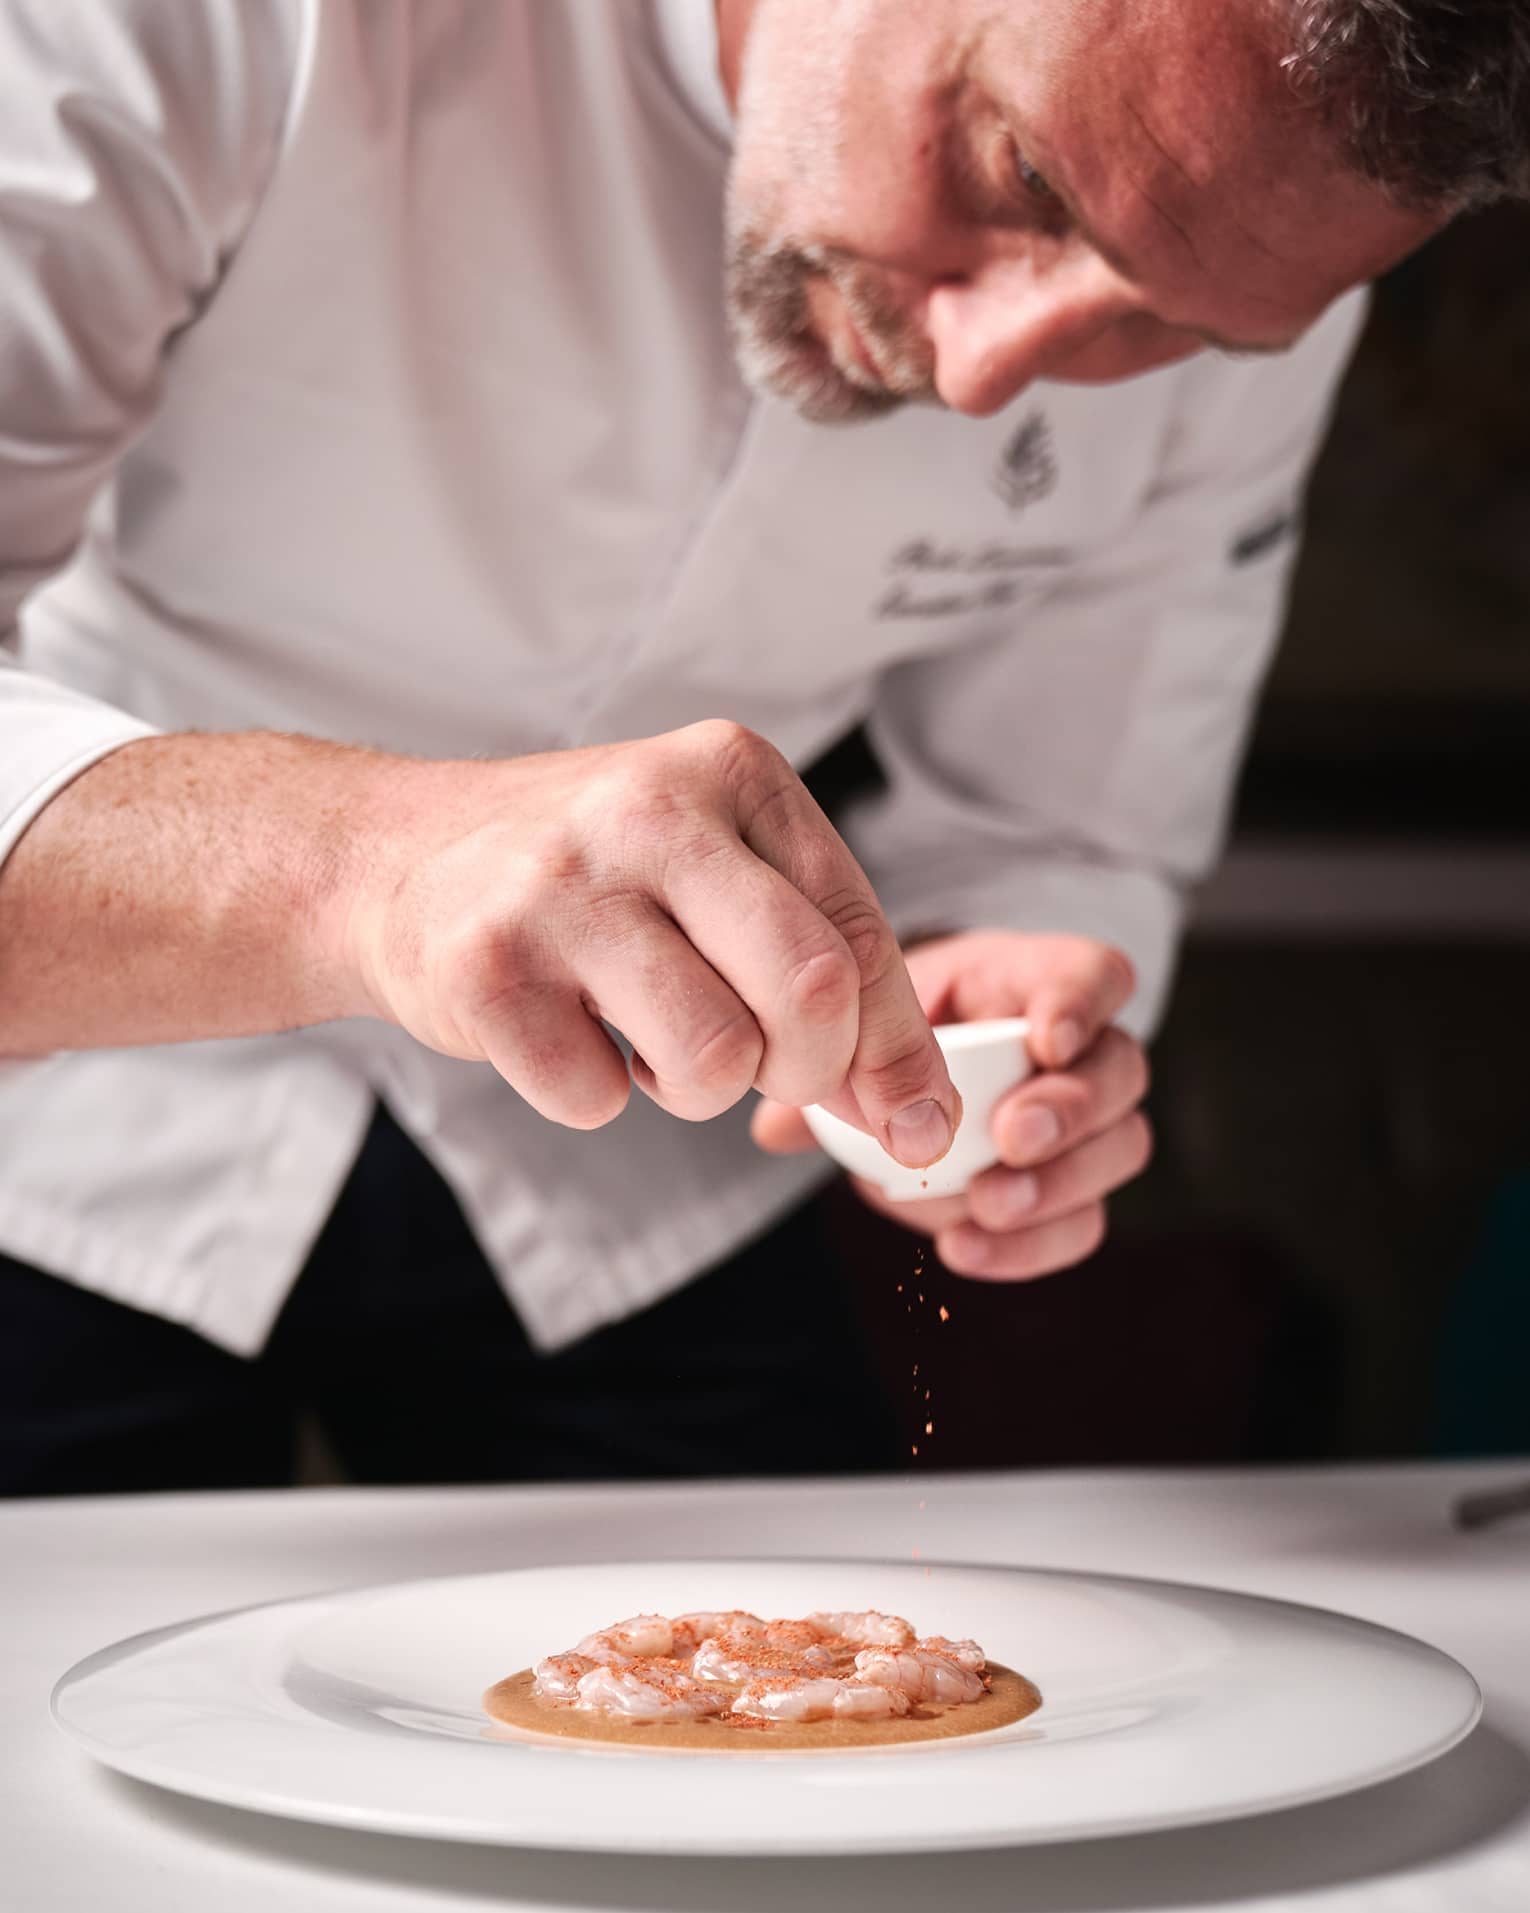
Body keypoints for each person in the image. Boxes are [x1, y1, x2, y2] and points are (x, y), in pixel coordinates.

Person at [0, 0, 1474, 1494]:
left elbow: (1057, 829)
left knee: (836, 1704)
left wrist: (999, 998)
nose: (981, 372)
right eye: (1023, 172)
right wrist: (380, 872)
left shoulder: (1238, 238)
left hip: (647, 1180)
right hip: (61, 1102)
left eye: (1176, 328)